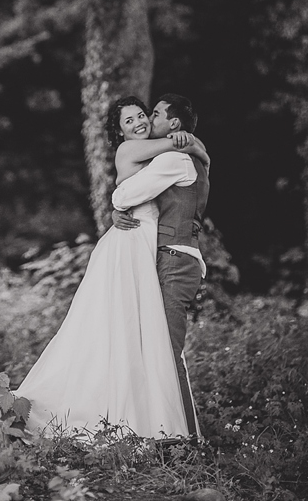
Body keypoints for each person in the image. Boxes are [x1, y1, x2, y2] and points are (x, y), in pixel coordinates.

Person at [16, 96, 209, 439]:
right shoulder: (137, 151)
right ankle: (156, 428)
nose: (140, 122)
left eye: (145, 115)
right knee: (131, 335)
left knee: (145, 339)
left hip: (153, 249)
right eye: (129, 121)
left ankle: (154, 424)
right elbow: (123, 195)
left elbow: (138, 190)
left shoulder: (166, 155)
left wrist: (194, 145)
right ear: (119, 133)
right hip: (133, 245)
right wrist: (192, 142)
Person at [112, 93, 209, 436]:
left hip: (174, 259)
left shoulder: (173, 160)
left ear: (174, 124)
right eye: (135, 118)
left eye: (153, 114)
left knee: (167, 353)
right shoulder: (184, 156)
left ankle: (182, 440)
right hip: (171, 258)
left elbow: (123, 195)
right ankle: (171, 432)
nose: (147, 121)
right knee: (162, 349)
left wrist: (118, 204)